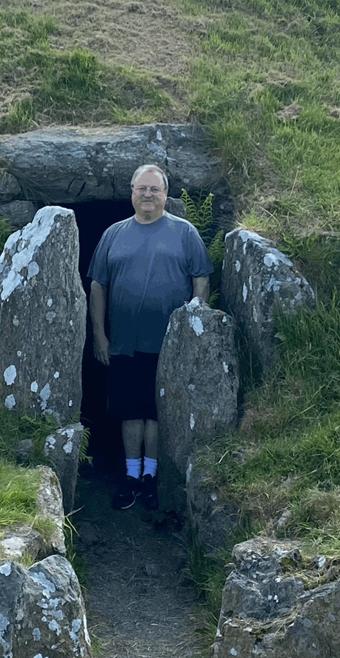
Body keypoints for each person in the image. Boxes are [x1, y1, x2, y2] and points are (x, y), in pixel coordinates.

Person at [87, 164, 214, 510]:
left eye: (154, 190)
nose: (147, 195)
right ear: (131, 192)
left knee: (157, 413)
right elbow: (98, 285)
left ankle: (151, 477)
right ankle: (131, 476)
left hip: (170, 346)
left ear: (165, 195)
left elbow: (200, 278)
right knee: (131, 412)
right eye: (141, 188)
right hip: (124, 341)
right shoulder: (113, 234)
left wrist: (193, 328)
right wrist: (99, 334)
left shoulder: (184, 232)